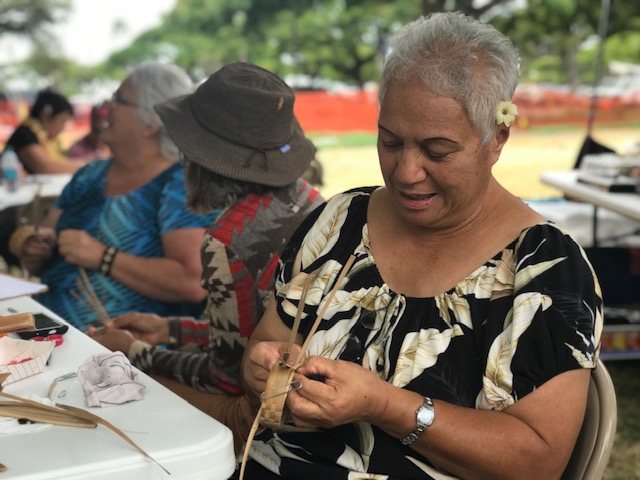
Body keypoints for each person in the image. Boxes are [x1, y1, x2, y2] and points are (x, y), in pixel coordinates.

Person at [239, 12, 603, 480]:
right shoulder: (341, 220)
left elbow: (537, 462)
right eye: (390, 142)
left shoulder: (545, 267)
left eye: (437, 151)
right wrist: (263, 370)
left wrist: (384, 404)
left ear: (497, 139)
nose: (406, 172)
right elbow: (271, 343)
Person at [86, 62, 324, 454]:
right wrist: (172, 330)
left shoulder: (227, 240)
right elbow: (250, 334)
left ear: (198, 154)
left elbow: (228, 379)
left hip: (275, 420)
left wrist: (134, 352)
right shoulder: (304, 195)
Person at [12, 62, 217, 330]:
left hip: (124, 355)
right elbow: (45, 246)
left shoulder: (181, 184)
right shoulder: (89, 175)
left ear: (150, 123)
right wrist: (34, 248)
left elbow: (192, 283)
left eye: (118, 100)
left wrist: (103, 257)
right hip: (47, 332)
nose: (105, 108)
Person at [4, 89, 85, 174]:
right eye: (62, 121)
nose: (62, 128)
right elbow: (45, 167)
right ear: (44, 114)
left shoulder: (48, 138)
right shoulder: (25, 134)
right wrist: (84, 164)